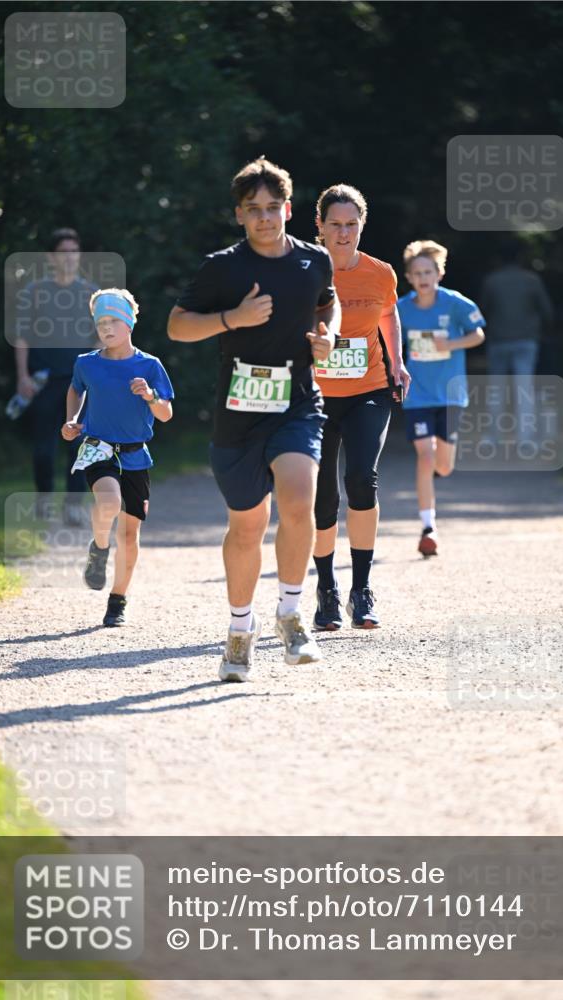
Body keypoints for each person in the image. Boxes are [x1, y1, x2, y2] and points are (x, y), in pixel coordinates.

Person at [168, 157, 340, 683]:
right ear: (239, 215)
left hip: (296, 403)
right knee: (247, 526)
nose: (265, 218)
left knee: (298, 498)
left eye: (273, 208)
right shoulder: (223, 267)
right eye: (253, 210)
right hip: (238, 413)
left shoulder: (314, 261)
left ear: (288, 208)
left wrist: (327, 334)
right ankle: (240, 630)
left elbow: (326, 306)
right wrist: (232, 319)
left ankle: (290, 615)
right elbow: (177, 327)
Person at [311, 184, 410, 631]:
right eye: (335, 224)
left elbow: (388, 315)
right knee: (322, 495)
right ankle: (327, 590)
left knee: (361, 479)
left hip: (369, 389)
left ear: (362, 225)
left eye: (352, 224)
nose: (344, 232)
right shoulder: (304, 271)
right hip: (314, 396)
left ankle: (362, 589)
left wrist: (399, 363)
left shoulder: (381, 273)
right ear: (320, 226)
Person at [61, 288, 174, 626]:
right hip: (99, 448)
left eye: (113, 321)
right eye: (101, 323)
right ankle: (98, 548)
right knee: (108, 502)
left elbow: (166, 413)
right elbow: (75, 389)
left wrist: (149, 395)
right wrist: (73, 419)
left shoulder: (149, 365)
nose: (106, 328)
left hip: (136, 456)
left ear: (129, 324)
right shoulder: (87, 363)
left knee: (129, 535)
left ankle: (118, 600)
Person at [397, 240, 485, 556]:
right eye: (417, 273)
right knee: (425, 456)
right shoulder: (401, 309)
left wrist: (452, 344)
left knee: (443, 466)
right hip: (417, 395)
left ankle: (438, 467)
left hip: (450, 395)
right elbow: (391, 343)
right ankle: (428, 527)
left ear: (439, 273)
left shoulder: (455, 304)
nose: (423, 278)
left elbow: (478, 334)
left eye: (428, 272)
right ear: (408, 277)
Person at [14, 228, 99, 524]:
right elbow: (22, 337)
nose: (69, 259)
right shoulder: (34, 292)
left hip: (79, 383)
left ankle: (74, 507)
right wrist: (22, 377)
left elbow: (99, 338)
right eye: (63, 253)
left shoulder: (91, 294)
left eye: (74, 252)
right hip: (42, 382)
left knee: (80, 446)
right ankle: (44, 500)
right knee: (43, 449)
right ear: (51, 257)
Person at [479, 241, 554, 443]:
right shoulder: (532, 280)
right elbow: (547, 311)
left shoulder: (492, 281)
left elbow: (483, 312)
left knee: (496, 390)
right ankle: (526, 438)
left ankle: (492, 437)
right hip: (527, 341)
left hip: (498, 341)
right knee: (525, 390)